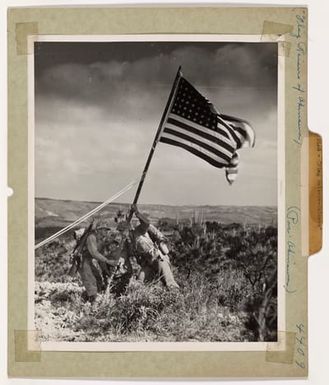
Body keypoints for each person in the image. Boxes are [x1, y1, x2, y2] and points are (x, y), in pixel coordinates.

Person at [126, 204, 179, 289]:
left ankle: (176, 298)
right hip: (148, 264)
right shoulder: (129, 239)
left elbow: (146, 223)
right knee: (139, 283)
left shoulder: (139, 230)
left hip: (158, 258)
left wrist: (137, 212)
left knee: (170, 283)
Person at [73, 224, 116, 302]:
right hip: (82, 261)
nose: (106, 232)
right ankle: (93, 304)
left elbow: (100, 259)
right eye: (104, 230)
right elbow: (94, 253)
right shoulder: (91, 237)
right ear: (99, 230)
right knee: (91, 281)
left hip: (88, 261)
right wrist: (108, 261)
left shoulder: (100, 241)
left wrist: (106, 271)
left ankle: (89, 299)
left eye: (107, 230)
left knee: (98, 279)